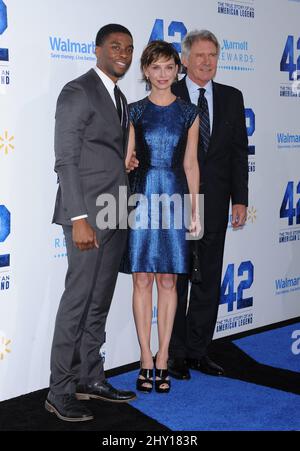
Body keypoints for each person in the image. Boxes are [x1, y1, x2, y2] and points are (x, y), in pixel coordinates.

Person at [46, 24, 138, 422]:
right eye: (116, 46)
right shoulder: (77, 90)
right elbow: (66, 159)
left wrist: (123, 164)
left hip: (115, 209)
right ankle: (59, 390)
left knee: (98, 302)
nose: (124, 53)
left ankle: (89, 378)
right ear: (97, 50)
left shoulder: (119, 97)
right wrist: (80, 218)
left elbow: (99, 152)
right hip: (87, 214)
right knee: (77, 302)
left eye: (129, 48)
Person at [121, 40, 200, 394]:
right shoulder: (134, 111)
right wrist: (129, 161)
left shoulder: (189, 113)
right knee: (141, 281)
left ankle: (164, 355)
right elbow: (126, 159)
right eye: (156, 68)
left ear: (177, 70)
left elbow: (190, 163)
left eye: (169, 67)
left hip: (174, 197)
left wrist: (195, 210)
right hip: (141, 197)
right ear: (146, 71)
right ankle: (144, 358)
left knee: (168, 281)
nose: (163, 74)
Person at [168, 30, 248, 380]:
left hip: (216, 205)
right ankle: (176, 354)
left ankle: (200, 350)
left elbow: (238, 155)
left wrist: (240, 199)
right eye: (199, 55)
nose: (206, 61)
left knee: (209, 279)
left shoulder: (232, 97)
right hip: (177, 203)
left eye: (212, 55)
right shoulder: (168, 94)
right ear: (184, 59)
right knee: (178, 280)